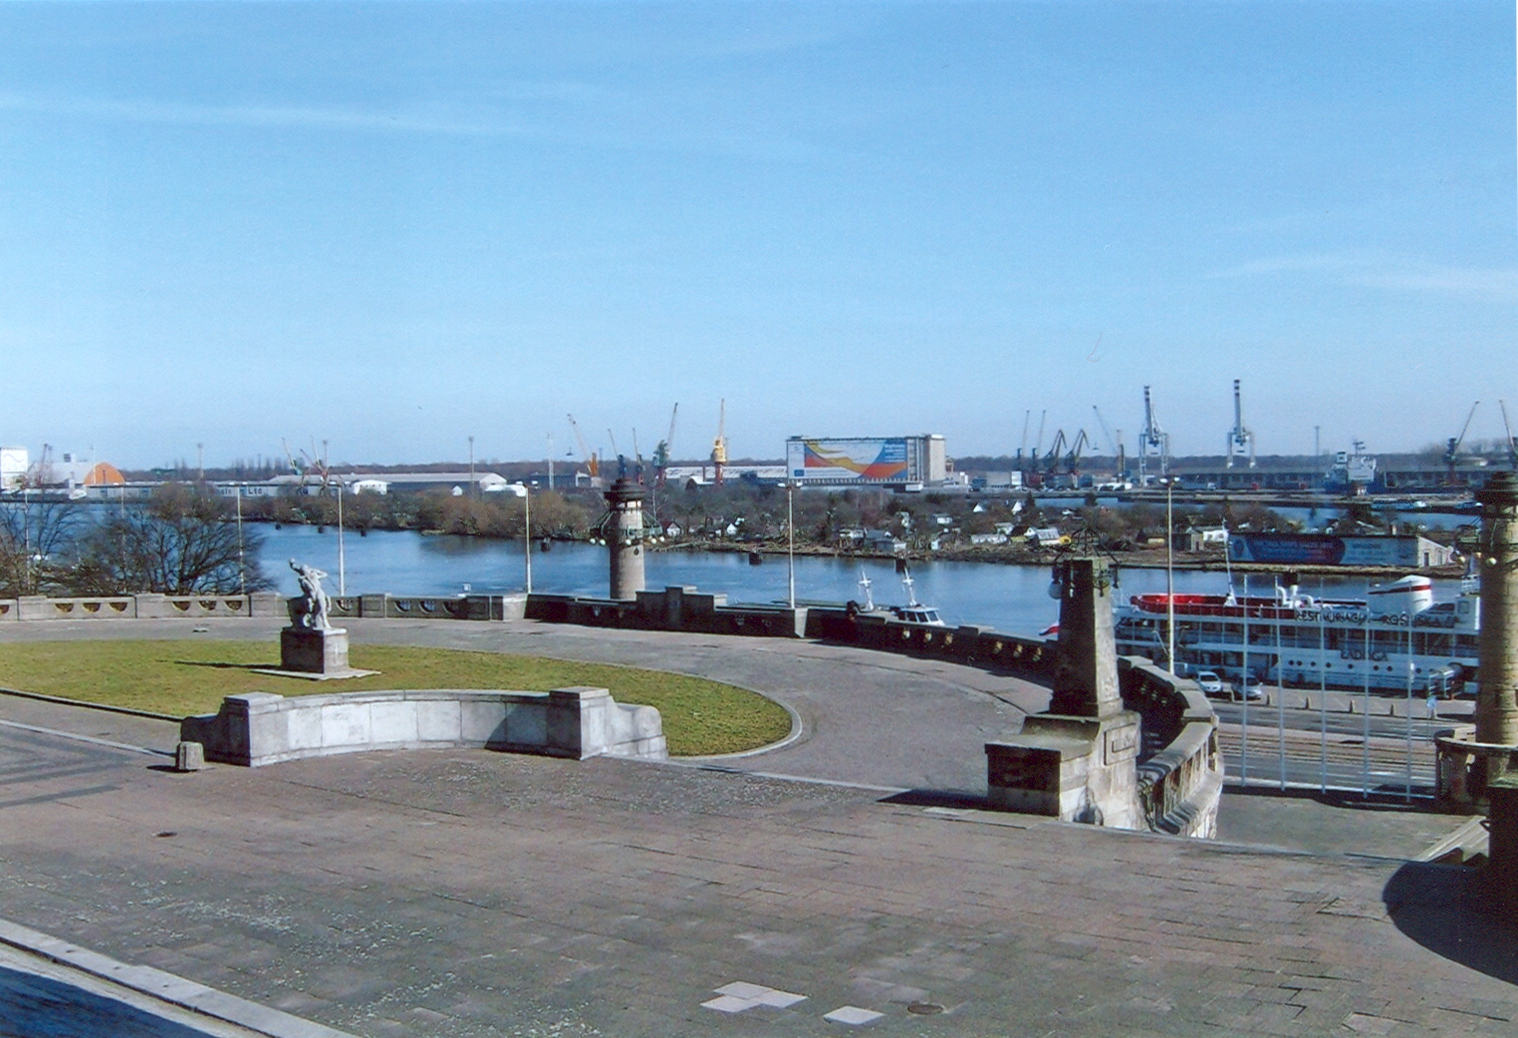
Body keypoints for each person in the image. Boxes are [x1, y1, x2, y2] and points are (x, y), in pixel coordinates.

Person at [289, 558, 331, 630]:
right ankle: (311, 617)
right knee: (308, 603)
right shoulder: (303, 578)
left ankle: (324, 621)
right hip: (309, 594)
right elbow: (294, 568)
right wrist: (292, 563)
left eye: (306, 570)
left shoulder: (314, 572)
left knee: (322, 605)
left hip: (318, 591)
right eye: (303, 571)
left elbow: (325, 574)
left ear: (309, 569)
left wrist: (319, 576)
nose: (305, 572)